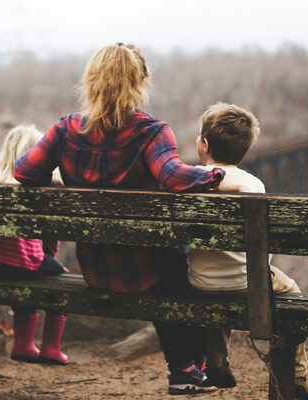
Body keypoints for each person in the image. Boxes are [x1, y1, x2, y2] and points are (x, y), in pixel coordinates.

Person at [13, 43, 238, 395]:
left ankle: (190, 368)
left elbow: (23, 171)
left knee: (172, 266)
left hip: (96, 269)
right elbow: (174, 177)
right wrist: (219, 177)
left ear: (90, 82)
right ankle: (188, 368)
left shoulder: (65, 130)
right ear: (140, 83)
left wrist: (57, 179)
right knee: (182, 270)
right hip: (149, 271)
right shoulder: (151, 132)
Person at [187, 102, 308, 399]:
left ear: (204, 145)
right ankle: (296, 375)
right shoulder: (253, 184)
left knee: (216, 287)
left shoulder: (190, 180)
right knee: (291, 290)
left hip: (200, 282)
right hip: (248, 282)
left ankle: (215, 359)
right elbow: (262, 247)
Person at [0, 125, 69, 365]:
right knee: (60, 278)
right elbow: (49, 239)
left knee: (28, 271)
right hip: (23, 263)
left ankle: (23, 344)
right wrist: (53, 261)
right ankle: (50, 348)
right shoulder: (37, 190)